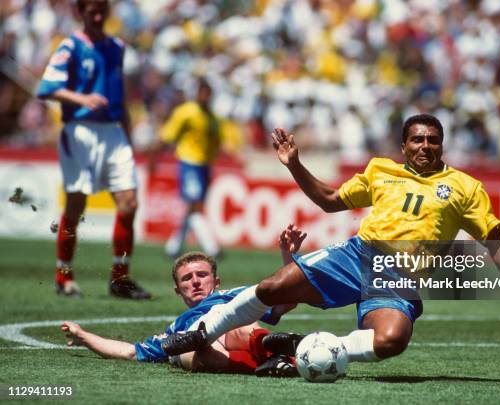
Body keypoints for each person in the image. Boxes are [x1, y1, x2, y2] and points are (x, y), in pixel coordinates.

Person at [162, 113, 500, 366]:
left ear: (443, 145)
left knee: (392, 340)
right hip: (357, 255)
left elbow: (493, 237)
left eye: (433, 140)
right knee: (274, 286)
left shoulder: (465, 188)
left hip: (400, 279)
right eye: (417, 140)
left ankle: (315, 349)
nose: (425, 146)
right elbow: (329, 201)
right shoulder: (380, 170)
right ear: (404, 145)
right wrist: (294, 164)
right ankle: (200, 334)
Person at [60, 224, 307, 375]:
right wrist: (83, 336)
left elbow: (285, 299)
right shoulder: (176, 327)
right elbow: (130, 352)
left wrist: (288, 255)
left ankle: (273, 347)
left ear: (216, 282)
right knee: (187, 351)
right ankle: (275, 363)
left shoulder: (229, 296)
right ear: (178, 290)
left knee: (239, 321)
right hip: (198, 344)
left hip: (235, 329)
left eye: (202, 275)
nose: (196, 281)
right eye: (187, 279)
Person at [36, 0, 149, 299]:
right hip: (80, 131)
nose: (98, 17)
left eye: (102, 11)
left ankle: (120, 278)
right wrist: (81, 99)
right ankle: (64, 275)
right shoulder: (70, 46)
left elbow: (120, 94)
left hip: (113, 131)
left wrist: (128, 135)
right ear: (80, 12)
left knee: (129, 203)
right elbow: (45, 88)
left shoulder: (116, 46)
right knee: (76, 205)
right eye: (92, 12)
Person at [149, 78, 222, 259]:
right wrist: (154, 159)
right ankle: (212, 247)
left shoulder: (212, 117)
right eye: (202, 92)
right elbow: (167, 136)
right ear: (197, 93)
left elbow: (216, 144)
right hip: (189, 162)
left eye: (208, 93)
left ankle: (173, 247)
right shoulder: (186, 112)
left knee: (193, 209)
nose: (205, 96)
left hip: (204, 166)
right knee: (194, 205)